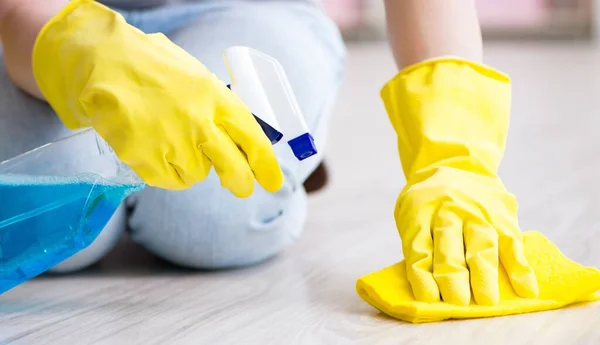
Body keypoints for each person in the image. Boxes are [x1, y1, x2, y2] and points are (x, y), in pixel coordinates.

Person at [0, 0, 537, 307]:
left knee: (211, 220)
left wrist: (452, 155)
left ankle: (285, 148)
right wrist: (79, 48)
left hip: (245, 12)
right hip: (40, 17)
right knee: (42, 227)